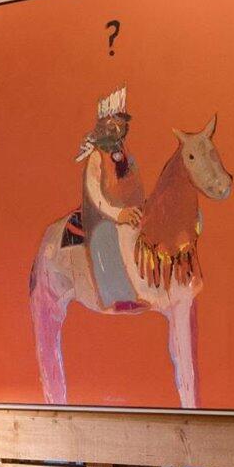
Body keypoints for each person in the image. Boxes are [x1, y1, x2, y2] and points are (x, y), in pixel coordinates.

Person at [62, 87, 146, 310]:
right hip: (102, 217)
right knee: (104, 235)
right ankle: (118, 297)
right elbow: (95, 194)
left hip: (129, 211)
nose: (118, 126)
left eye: (121, 121)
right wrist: (119, 214)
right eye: (113, 121)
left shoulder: (127, 155)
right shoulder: (95, 157)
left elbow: (136, 186)